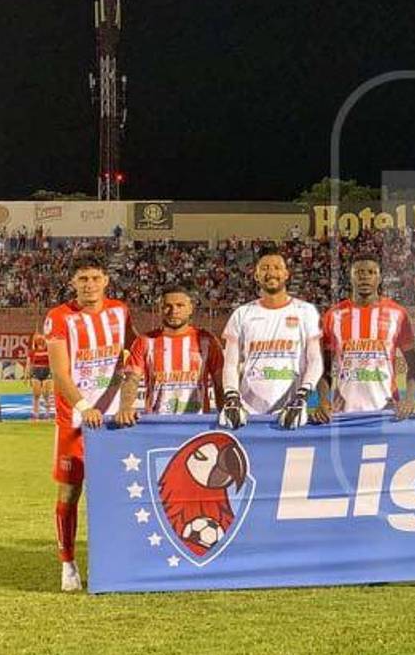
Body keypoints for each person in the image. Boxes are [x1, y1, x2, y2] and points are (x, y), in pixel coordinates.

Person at [44, 255, 133, 591]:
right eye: (83, 279)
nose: (89, 284)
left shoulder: (120, 311)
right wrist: (83, 405)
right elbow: (59, 372)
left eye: (95, 278)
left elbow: (133, 350)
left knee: (116, 489)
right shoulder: (59, 318)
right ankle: (68, 563)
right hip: (75, 419)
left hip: (112, 420)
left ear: (106, 280)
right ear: (73, 283)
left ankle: (116, 557)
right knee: (70, 490)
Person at [217, 248, 322, 430]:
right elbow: (231, 364)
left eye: (276, 267)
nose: (271, 273)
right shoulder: (242, 314)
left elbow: (315, 360)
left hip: (291, 411)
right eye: (264, 268)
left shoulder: (306, 311)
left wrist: (302, 397)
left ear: (286, 274)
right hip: (249, 414)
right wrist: (232, 397)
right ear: (256, 275)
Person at [313, 254, 415, 421]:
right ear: (350, 277)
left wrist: (409, 399)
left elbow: (414, 368)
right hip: (344, 412)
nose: (364, 277)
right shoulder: (333, 315)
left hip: (388, 412)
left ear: (379, 278)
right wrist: (322, 400)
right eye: (359, 272)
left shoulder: (398, 314)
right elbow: (324, 370)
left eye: (371, 272)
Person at [115, 284, 224, 424]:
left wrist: (224, 412)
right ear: (160, 309)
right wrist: (125, 407)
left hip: (198, 423)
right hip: (157, 424)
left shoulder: (207, 340)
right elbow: (131, 379)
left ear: (190, 308)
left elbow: (220, 383)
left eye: (180, 305)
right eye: (168, 306)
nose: (174, 311)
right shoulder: (145, 341)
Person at [27, 330, 53, 420]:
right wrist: (27, 375)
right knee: (36, 394)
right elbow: (29, 363)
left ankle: (47, 413)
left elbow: (53, 362)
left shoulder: (49, 350)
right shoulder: (32, 352)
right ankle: (35, 413)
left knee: (46, 394)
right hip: (36, 372)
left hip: (47, 371)